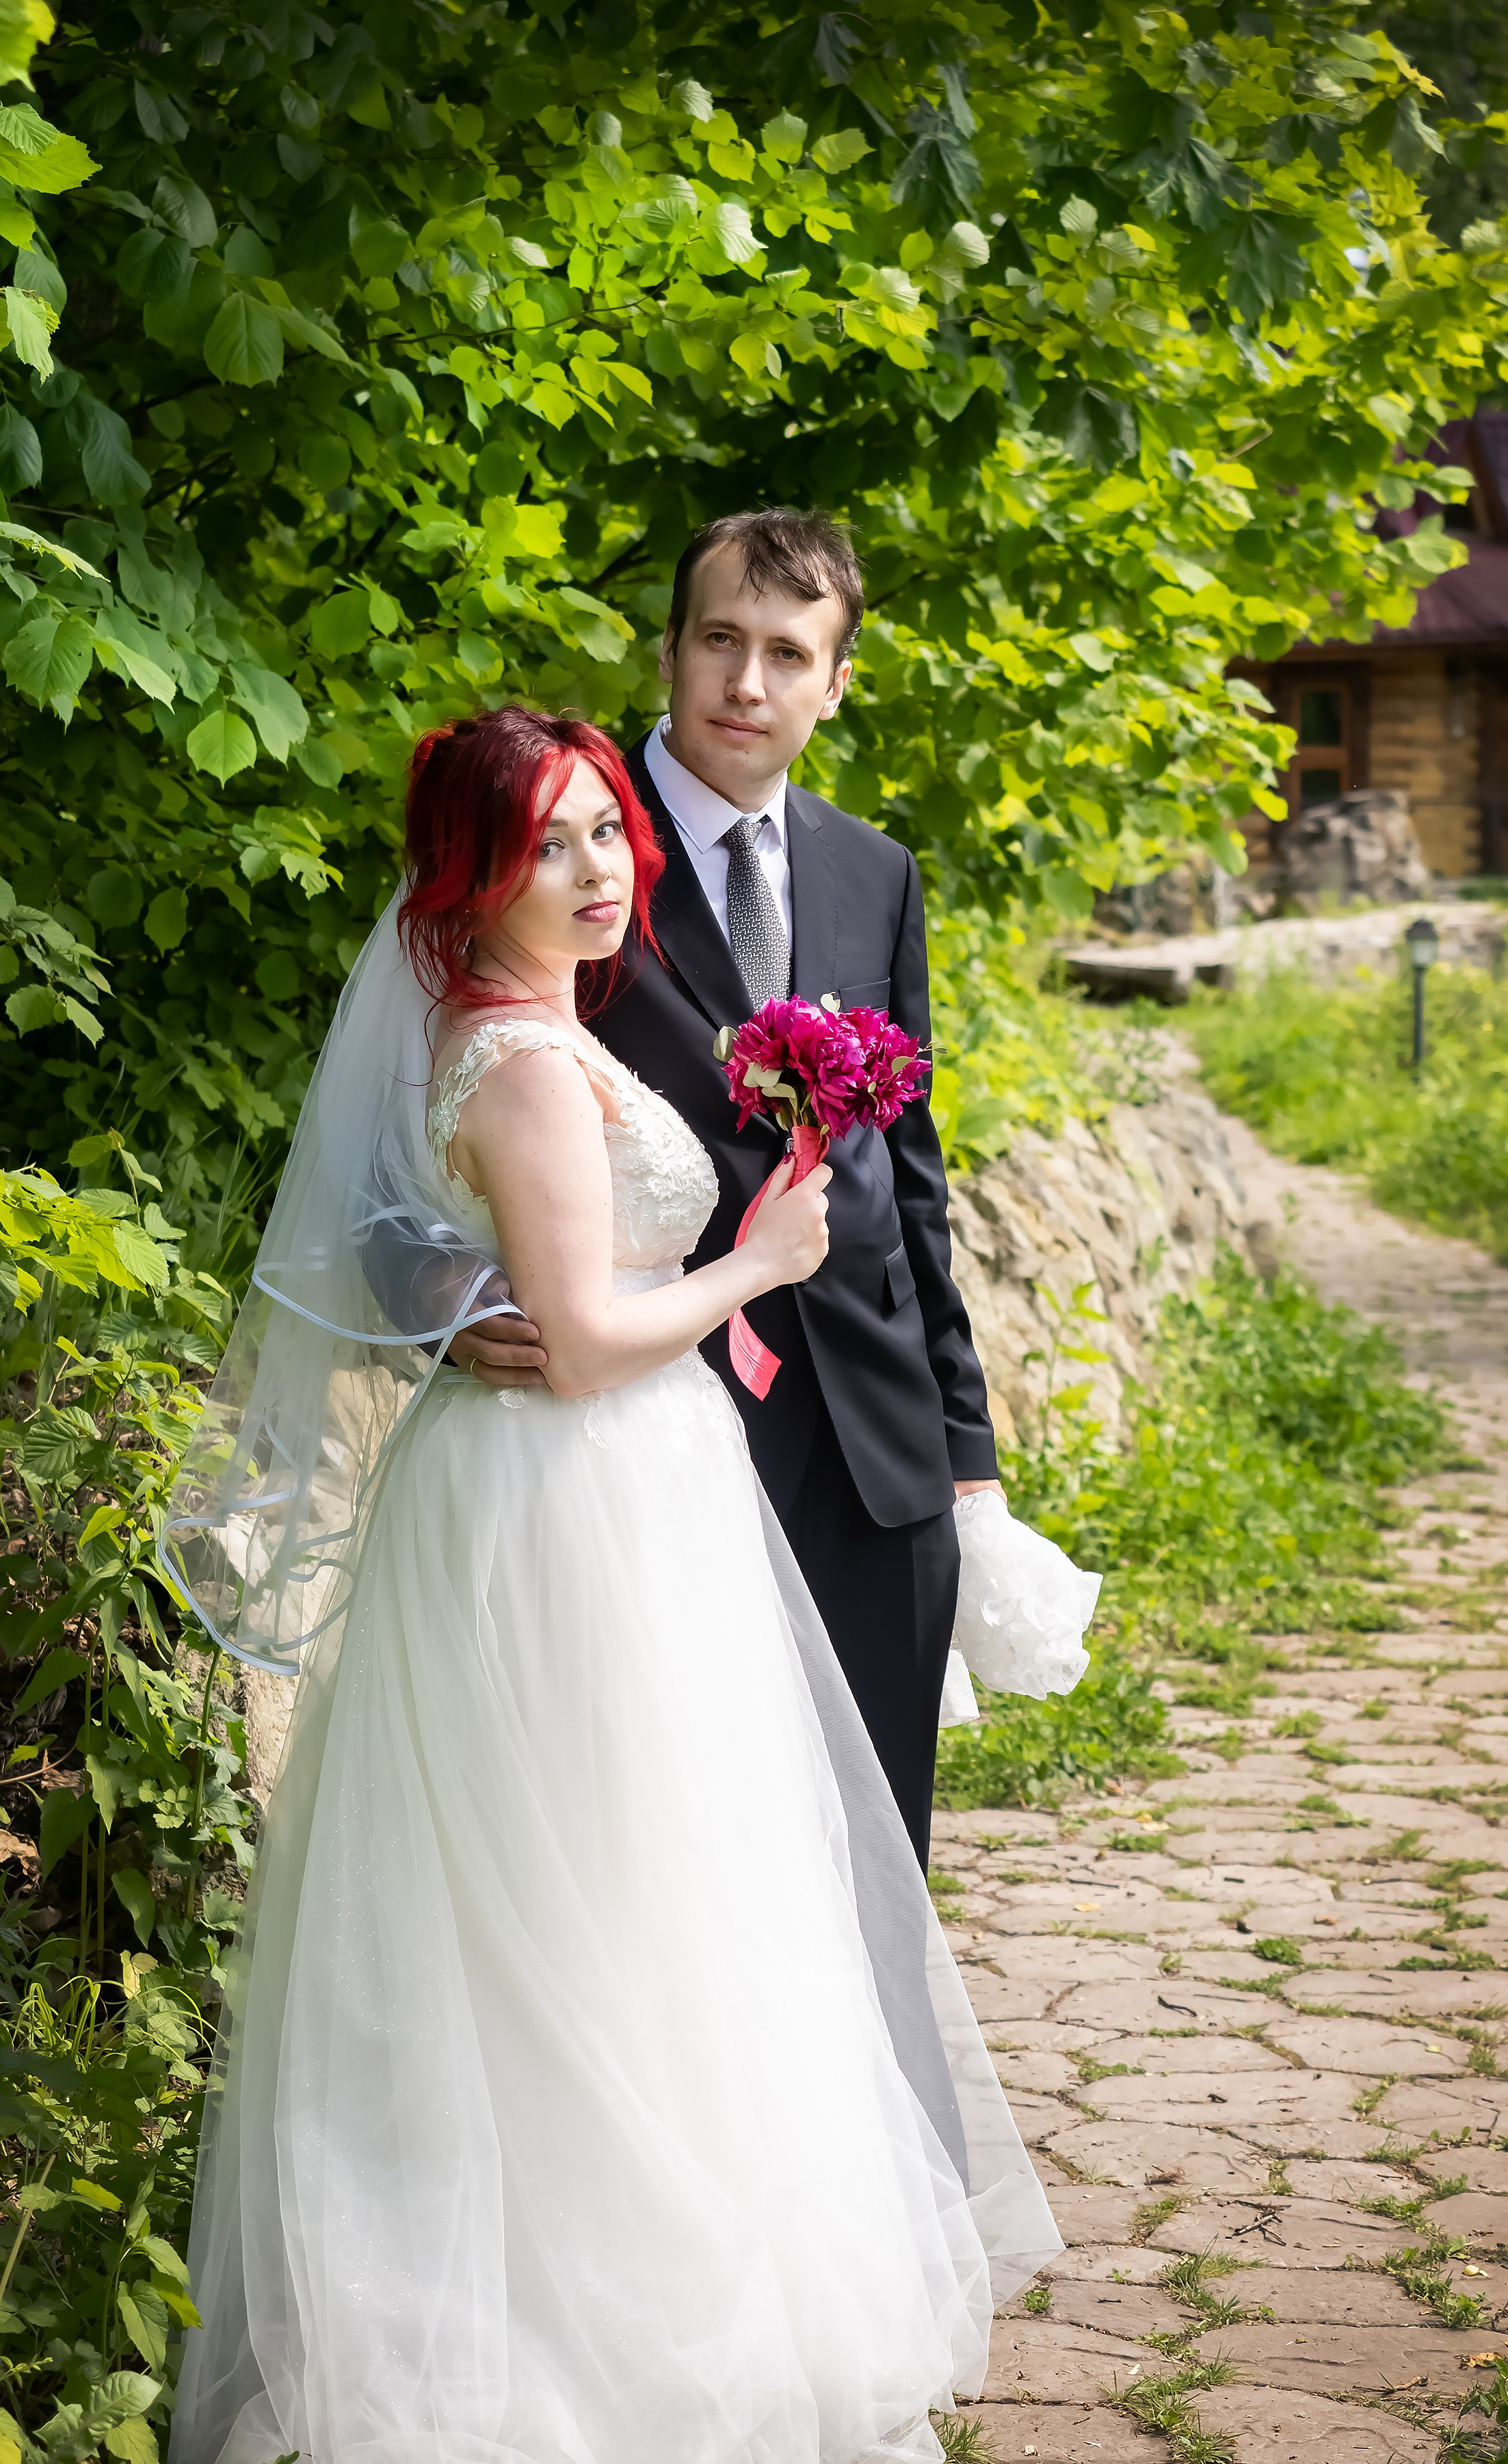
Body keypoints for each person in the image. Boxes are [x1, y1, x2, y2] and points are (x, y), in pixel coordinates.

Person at [163, 708, 1058, 2464]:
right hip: (564, 1501)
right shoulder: (513, 1056)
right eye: (547, 845)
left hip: (606, 1495)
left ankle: (643, 2283)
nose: (591, 871)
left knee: (632, 1896)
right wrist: (755, 1261)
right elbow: (579, 1343)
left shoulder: (517, 1027)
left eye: (598, 834)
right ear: (469, 872)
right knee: (594, 1892)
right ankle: (574, 2347)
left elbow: (496, 1270)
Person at [449, 510, 1000, 1868]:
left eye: (786, 653)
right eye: (718, 641)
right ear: (668, 651)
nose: (746, 685)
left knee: (877, 1868)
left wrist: (964, 1453)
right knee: (682, 1871)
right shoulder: (560, 841)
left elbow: (908, 1179)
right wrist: (439, 1293)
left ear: (835, 680)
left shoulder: (875, 873)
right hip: (654, 1449)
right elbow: (436, 1107)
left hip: (877, 1453)